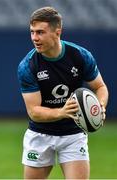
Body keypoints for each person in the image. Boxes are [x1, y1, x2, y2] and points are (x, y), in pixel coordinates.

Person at [18, 6, 109, 179]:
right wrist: (62, 111)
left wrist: (100, 106)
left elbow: (100, 87)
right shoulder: (28, 66)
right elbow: (34, 112)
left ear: (57, 32)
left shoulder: (80, 56)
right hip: (40, 134)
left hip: (73, 134)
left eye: (40, 32)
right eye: (32, 32)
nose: (34, 38)